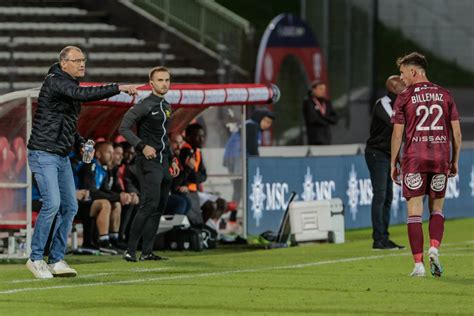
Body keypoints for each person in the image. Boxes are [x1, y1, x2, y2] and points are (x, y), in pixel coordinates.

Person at [26, 45, 137, 279]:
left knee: (70, 206)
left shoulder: (67, 84)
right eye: (77, 60)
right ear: (64, 63)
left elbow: (64, 123)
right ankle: (36, 258)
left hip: (61, 154)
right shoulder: (56, 81)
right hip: (43, 153)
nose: (82, 64)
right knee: (53, 204)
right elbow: (83, 95)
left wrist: (79, 142)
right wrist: (117, 87)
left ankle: (56, 259)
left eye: (83, 60)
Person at [391, 52, 462, 277]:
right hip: (440, 157)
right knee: (437, 209)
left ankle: (418, 265)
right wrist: (455, 160)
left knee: (414, 213)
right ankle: (434, 247)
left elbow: (397, 134)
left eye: (403, 73)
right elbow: (457, 133)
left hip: (414, 158)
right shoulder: (445, 94)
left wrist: (394, 162)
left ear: (414, 71)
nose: (401, 78)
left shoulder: (404, 97)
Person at [119, 66, 179, 262]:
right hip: (148, 162)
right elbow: (124, 128)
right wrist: (142, 146)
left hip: (163, 163)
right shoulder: (145, 105)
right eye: (160, 80)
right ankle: (130, 250)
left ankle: (147, 252)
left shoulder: (167, 106)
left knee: (158, 207)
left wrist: (172, 159)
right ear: (152, 83)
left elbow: (164, 137)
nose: (164, 84)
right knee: (148, 205)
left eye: (167, 80)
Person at [365, 75, 406, 250]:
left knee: (388, 197)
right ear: (393, 88)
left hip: (389, 155)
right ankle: (378, 239)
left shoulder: (400, 104)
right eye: (403, 86)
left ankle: (384, 237)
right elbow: (396, 123)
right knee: (380, 195)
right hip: (377, 154)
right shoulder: (383, 103)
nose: (406, 88)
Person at [223, 108, 274, 204]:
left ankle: (234, 215)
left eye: (269, 123)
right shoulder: (252, 126)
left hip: (235, 159)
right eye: (266, 121)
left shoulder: (250, 125)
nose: (267, 125)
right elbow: (252, 148)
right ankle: (235, 216)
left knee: (239, 189)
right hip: (237, 159)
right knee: (240, 188)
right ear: (259, 118)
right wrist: (259, 164)